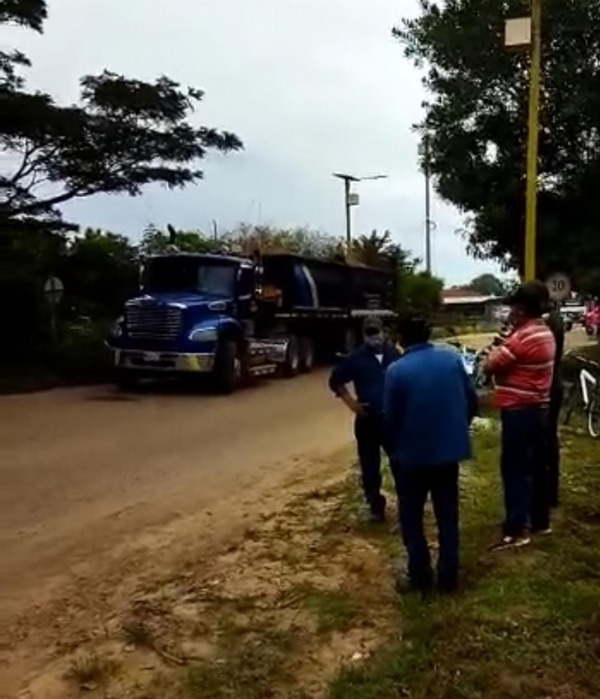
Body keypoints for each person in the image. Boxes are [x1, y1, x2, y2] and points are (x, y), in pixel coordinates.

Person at [384, 316, 477, 594]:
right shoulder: (450, 360)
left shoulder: (396, 371)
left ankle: (419, 574)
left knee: (411, 517)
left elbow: (391, 419)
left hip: (412, 456)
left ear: (400, 337)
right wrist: (456, 430)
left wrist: (393, 450)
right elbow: (471, 400)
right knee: (447, 516)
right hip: (447, 454)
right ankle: (448, 578)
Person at [484, 281, 556, 550]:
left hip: (520, 411)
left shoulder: (522, 337)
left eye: (514, 305)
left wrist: (497, 348)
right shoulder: (544, 332)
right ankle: (540, 521)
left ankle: (516, 528)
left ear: (523, 308)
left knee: (514, 468)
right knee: (536, 466)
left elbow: (490, 364)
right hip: (539, 409)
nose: (511, 309)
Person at [329, 316, 400, 522]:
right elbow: (336, 381)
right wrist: (352, 404)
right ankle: (375, 506)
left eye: (376, 332)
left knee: (399, 462)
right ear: (364, 335)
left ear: (383, 332)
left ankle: (406, 503)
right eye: (369, 333)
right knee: (370, 466)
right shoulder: (355, 358)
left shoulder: (394, 355)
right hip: (367, 420)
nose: (374, 337)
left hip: (391, 419)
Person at [544, 297, 565, 509]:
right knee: (550, 439)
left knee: (546, 440)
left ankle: (548, 493)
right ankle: (551, 493)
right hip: (554, 382)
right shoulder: (555, 319)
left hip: (547, 385)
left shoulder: (549, 323)